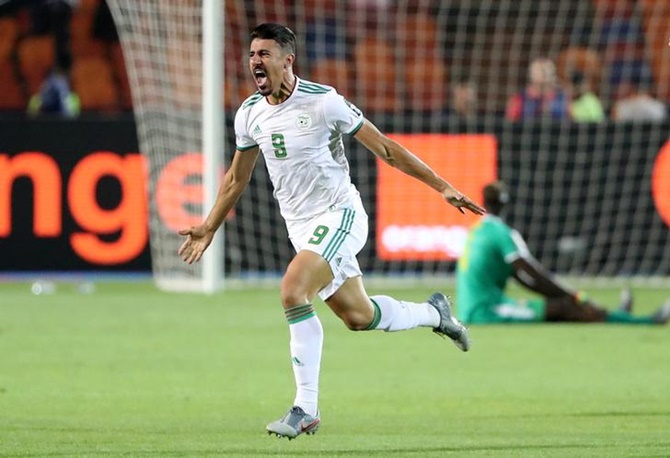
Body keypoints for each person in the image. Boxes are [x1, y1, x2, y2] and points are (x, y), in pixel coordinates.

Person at [178, 23, 485, 440]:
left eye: (264, 54)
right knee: (359, 317)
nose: (255, 62)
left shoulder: (325, 103)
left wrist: (443, 186)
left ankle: (305, 408)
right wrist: (209, 227)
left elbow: (387, 148)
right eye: (252, 54)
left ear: (288, 60)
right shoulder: (249, 114)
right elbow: (236, 178)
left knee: (292, 291)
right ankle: (437, 314)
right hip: (301, 228)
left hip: (340, 215)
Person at [456, 181, 670, 325]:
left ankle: (616, 314)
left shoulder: (478, 230)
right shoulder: (501, 233)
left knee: (563, 307)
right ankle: (641, 321)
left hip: (477, 306)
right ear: (506, 204)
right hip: (485, 312)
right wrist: (570, 295)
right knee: (568, 309)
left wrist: (565, 296)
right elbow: (532, 273)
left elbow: (522, 279)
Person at [506, 57, 570, 121]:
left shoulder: (563, 97)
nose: (543, 73)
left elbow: (571, 121)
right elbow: (510, 122)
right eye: (539, 70)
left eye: (545, 69)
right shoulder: (519, 99)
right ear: (531, 74)